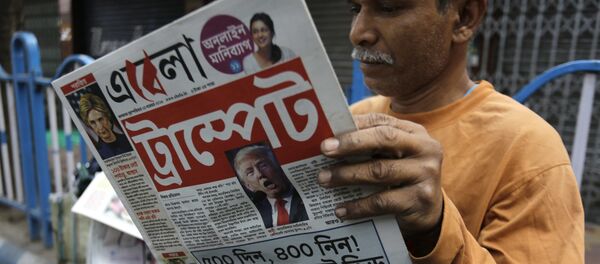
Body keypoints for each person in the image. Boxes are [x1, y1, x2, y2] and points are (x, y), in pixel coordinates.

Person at [317, 0, 584, 263]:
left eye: (388, 8)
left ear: (465, 17)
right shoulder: (356, 119)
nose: (358, 33)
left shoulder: (527, 147)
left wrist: (433, 231)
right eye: (355, 9)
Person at [233, 144, 308, 228]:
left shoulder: (304, 197)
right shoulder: (255, 214)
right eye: (250, 172)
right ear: (249, 186)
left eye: (263, 165)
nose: (259, 174)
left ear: (278, 166)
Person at [79, 93, 133, 159]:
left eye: (101, 119)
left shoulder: (129, 140)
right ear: (89, 124)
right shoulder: (99, 154)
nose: (100, 127)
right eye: (93, 122)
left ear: (107, 116)